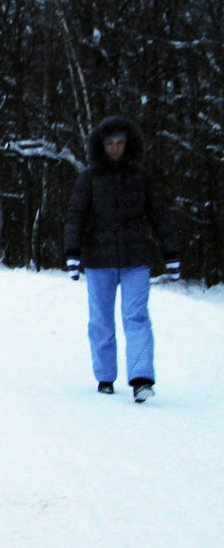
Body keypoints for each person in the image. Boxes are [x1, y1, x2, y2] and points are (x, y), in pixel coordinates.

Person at [64, 115, 179, 403]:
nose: (115, 148)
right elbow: (76, 216)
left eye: (120, 143)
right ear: (100, 146)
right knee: (101, 320)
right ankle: (105, 376)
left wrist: (171, 253)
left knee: (136, 317)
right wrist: (72, 253)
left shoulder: (142, 177)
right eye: (110, 144)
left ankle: (141, 379)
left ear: (129, 145)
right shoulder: (89, 178)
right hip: (99, 258)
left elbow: (159, 215)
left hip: (136, 256)